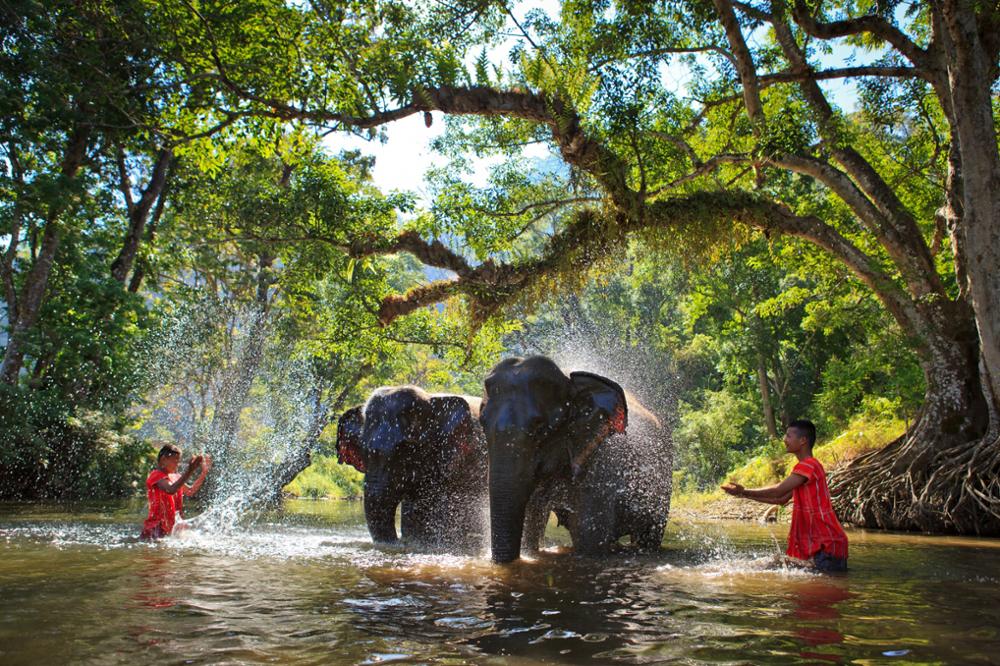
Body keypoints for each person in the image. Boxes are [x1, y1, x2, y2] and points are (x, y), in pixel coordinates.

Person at [721, 420, 849, 572]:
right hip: (825, 543)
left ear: (803, 441)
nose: (784, 439)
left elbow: (778, 491)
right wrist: (743, 495)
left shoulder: (809, 465)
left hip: (826, 543)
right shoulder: (806, 468)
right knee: (781, 567)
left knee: (780, 567)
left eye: (788, 436)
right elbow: (781, 500)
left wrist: (745, 491)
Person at [140, 443, 212, 540]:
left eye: (178, 461)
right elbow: (170, 490)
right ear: (164, 459)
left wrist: (204, 473)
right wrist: (190, 471)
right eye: (175, 461)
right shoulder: (156, 475)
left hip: (171, 528)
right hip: (155, 529)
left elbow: (190, 491)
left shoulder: (175, 476)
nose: (177, 464)